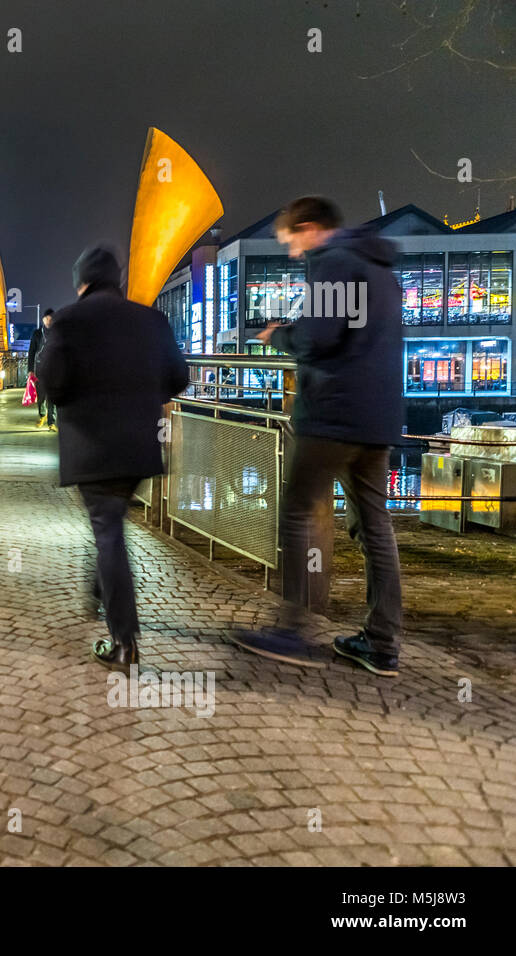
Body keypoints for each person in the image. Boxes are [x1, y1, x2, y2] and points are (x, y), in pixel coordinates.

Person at [233, 196, 404, 677]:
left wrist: (279, 336)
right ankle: (383, 643)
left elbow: (317, 339)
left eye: (290, 242)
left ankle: (290, 633)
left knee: (294, 513)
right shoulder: (380, 270)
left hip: (333, 415)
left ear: (309, 228)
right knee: (376, 526)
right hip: (377, 419)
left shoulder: (334, 264)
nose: (292, 254)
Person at [37, 247, 189, 668]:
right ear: (116, 280)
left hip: (93, 447)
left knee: (108, 532)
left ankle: (124, 643)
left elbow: (50, 382)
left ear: (81, 283)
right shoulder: (151, 319)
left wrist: (76, 402)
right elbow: (179, 376)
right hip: (139, 446)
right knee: (110, 523)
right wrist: (140, 398)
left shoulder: (68, 319)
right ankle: (98, 591)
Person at [26, 309, 56, 429]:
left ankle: (52, 422)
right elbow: (31, 352)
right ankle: (42, 415)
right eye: (46, 318)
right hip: (40, 369)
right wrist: (30, 370)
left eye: (51, 319)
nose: (48, 321)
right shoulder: (37, 333)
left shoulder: (57, 333)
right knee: (41, 395)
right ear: (43, 319)